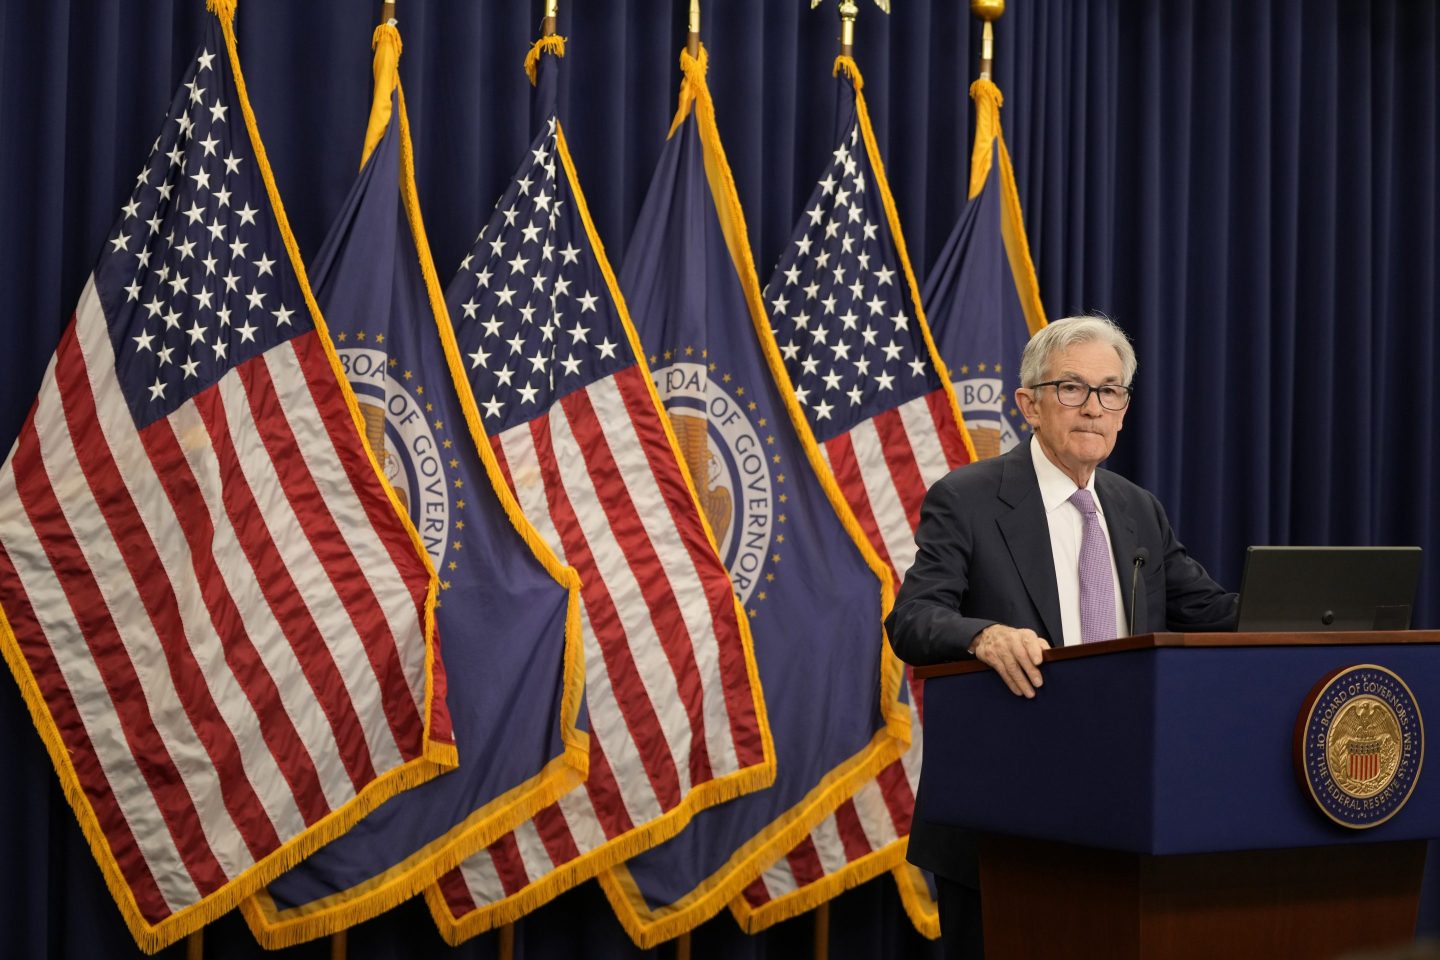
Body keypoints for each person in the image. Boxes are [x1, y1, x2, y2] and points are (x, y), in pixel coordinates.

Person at [886, 315, 1238, 959]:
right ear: (1029, 404)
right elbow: (912, 620)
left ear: (1125, 410)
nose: (1093, 407)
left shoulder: (1138, 510)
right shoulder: (967, 499)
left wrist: (1311, 608)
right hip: (1006, 817)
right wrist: (983, 634)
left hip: (1128, 806)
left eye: (1110, 392)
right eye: (1073, 388)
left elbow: (1213, 614)